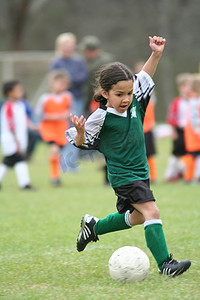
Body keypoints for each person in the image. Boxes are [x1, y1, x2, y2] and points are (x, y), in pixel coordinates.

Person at [66, 36, 191, 277]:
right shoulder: (100, 118)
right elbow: (82, 144)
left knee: (136, 217)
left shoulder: (136, 103)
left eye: (129, 93)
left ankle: (93, 226)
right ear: (105, 93)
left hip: (141, 173)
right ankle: (166, 264)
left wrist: (155, 54)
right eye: (119, 94)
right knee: (152, 213)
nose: (125, 99)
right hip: (123, 176)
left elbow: (145, 76)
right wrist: (81, 133)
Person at [50, 32, 88, 172]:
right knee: (63, 132)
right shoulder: (57, 62)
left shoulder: (78, 61)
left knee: (75, 131)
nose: (70, 47)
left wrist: (68, 79)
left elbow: (82, 78)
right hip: (61, 103)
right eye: (67, 44)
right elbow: (56, 81)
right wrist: (71, 79)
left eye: (72, 44)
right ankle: (63, 164)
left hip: (76, 100)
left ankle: (71, 164)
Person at [36, 70, 72, 185]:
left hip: (61, 128)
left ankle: (56, 173)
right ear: (52, 83)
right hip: (49, 128)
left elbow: (72, 111)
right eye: (60, 83)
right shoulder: (45, 98)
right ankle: (54, 177)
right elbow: (39, 114)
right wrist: (53, 117)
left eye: (64, 84)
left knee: (57, 153)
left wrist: (67, 115)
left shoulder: (68, 96)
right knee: (54, 149)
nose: (62, 86)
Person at [0, 80, 36, 189]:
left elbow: (25, 120)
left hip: (19, 139)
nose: (21, 92)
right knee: (17, 160)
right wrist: (16, 142)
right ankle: (25, 184)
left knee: (10, 161)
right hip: (12, 140)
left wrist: (34, 127)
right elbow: (11, 125)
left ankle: (24, 184)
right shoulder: (8, 106)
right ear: (9, 93)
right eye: (18, 90)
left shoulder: (20, 105)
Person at [165, 73, 192, 182]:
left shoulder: (193, 101)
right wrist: (174, 131)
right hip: (180, 131)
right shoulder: (177, 102)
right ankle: (170, 174)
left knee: (190, 154)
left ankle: (185, 173)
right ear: (180, 87)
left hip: (191, 131)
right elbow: (172, 117)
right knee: (176, 154)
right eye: (186, 86)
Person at [80, 35, 115, 116]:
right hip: (95, 97)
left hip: (100, 98)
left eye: (86, 51)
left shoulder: (103, 61)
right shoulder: (89, 60)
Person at [134, 61, 157, 183]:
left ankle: (152, 176)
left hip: (147, 127)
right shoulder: (133, 90)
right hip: (138, 127)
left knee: (149, 154)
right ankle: (141, 175)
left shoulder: (150, 90)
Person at [184, 74, 200, 182]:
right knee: (195, 156)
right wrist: (197, 130)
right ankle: (193, 176)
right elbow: (194, 118)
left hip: (194, 132)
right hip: (195, 133)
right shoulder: (194, 101)